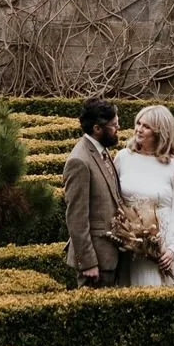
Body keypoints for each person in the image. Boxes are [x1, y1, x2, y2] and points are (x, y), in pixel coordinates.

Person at [112, 104, 174, 287]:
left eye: (146, 126)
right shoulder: (123, 157)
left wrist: (172, 250)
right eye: (138, 123)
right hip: (130, 247)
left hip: (162, 248)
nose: (139, 129)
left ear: (160, 132)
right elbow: (115, 199)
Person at [62, 97, 123, 288]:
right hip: (96, 261)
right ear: (97, 129)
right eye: (114, 125)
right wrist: (88, 262)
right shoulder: (79, 161)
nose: (118, 128)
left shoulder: (100, 150)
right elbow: (76, 218)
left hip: (110, 255)